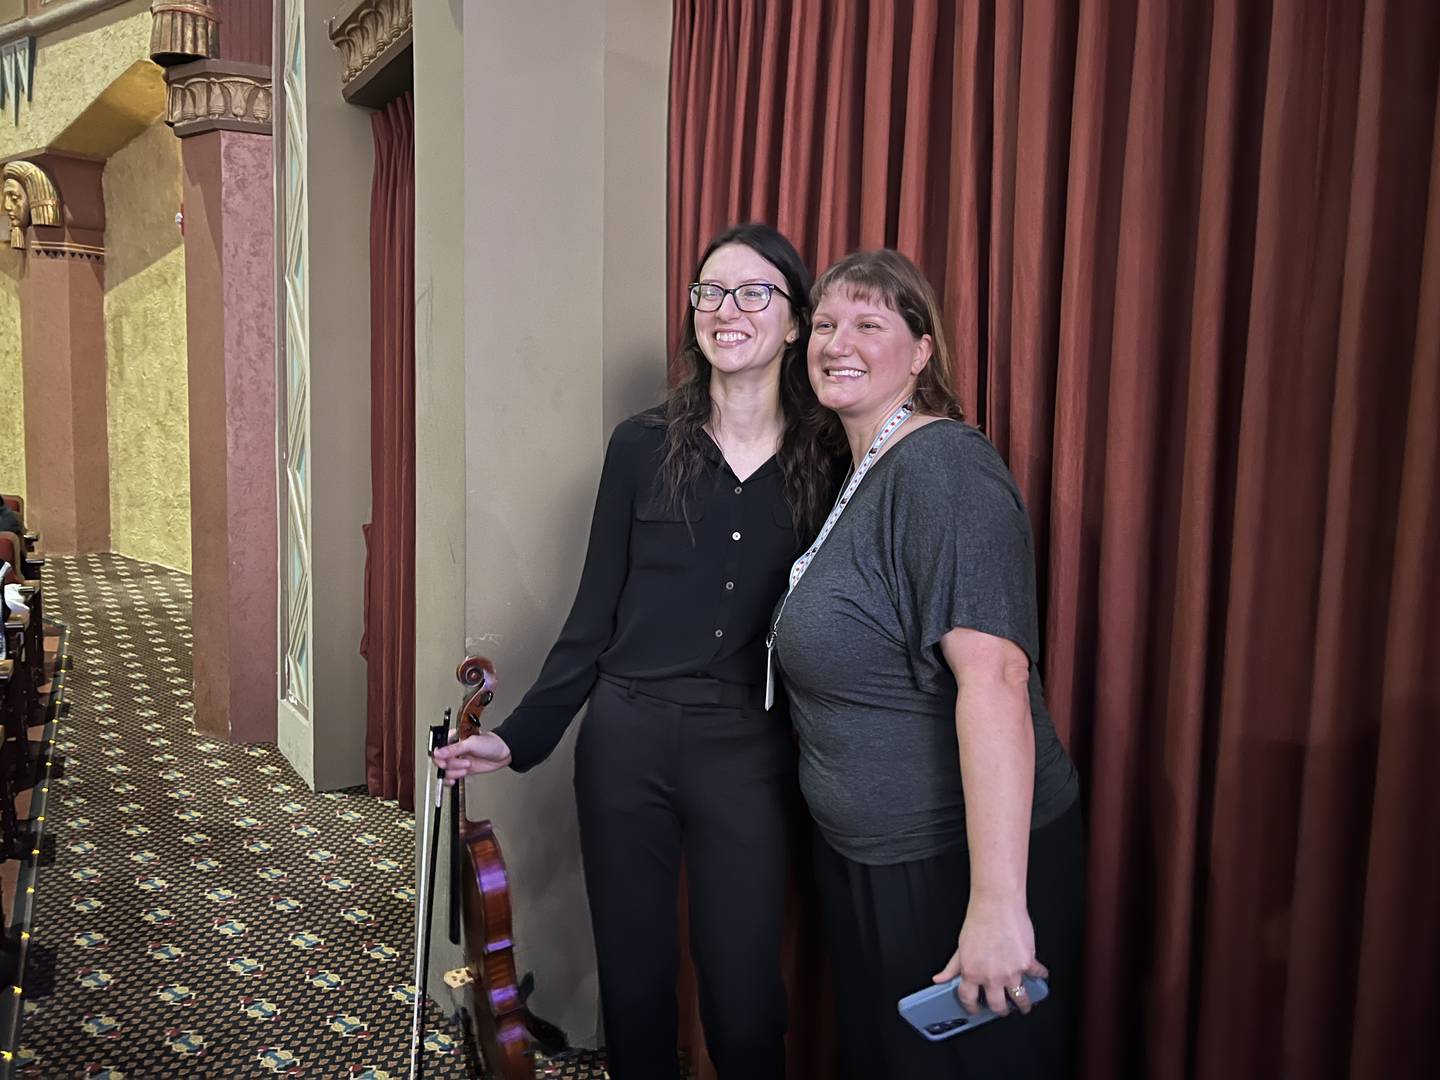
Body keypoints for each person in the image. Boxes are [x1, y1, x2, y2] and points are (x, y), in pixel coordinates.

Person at [432, 223, 838, 1080]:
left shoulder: (829, 456)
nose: (727, 310)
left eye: (754, 292)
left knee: (744, 990)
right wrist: (518, 736)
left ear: (796, 322)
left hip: (750, 748)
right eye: (710, 292)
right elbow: (592, 617)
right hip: (627, 740)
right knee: (636, 976)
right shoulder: (640, 446)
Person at [769, 249, 1084, 1078]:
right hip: (875, 862)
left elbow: (997, 680)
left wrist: (997, 907)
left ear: (920, 352)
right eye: (828, 324)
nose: (839, 341)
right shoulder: (863, 467)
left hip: (951, 869)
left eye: (870, 324)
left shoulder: (943, 469)